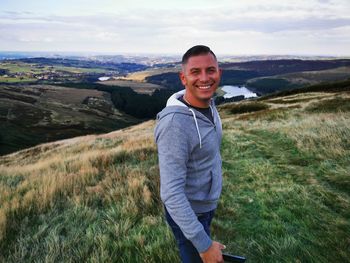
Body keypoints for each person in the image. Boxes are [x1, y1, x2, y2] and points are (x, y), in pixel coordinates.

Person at [154, 45, 225, 263]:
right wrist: (203, 245)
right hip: (189, 213)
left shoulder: (209, 104)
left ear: (218, 73)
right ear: (183, 78)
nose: (204, 78)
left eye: (210, 70)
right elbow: (172, 193)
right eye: (195, 72)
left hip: (204, 206)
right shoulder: (175, 125)